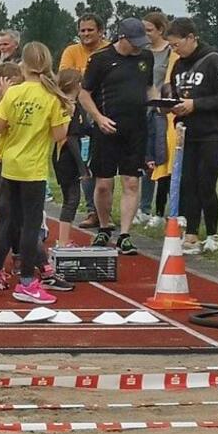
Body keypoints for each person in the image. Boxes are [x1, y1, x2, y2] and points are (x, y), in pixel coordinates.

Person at [0, 42, 72, 305]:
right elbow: (59, 135)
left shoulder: (14, 93)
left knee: (7, 219)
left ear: (24, 65)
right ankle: (27, 282)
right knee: (30, 226)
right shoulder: (51, 97)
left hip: (10, 165)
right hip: (33, 169)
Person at [78, 16, 154, 256]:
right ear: (122, 38)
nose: (138, 47)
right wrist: (99, 118)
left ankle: (125, 234)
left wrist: (156, 102)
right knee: (103, 184)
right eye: (134, 42)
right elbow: (84, 94)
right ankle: (103, 226)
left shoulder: (145, 57)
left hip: (136, 128)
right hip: (107, 128)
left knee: (131, 181)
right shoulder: (101, 60)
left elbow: (149, 86)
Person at [165, 17, 218, 256]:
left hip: (213, 132)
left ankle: (213, 232)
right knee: (189, 183)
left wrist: (196, 104)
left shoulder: (213, 60)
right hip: (187, 131)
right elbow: (175, 93)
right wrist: (170, 105)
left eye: (177, 45)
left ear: (191, 38)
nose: (175, 50)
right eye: (171, 47)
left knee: (206, 182)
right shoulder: (178, 66)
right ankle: (192, 232)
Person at [58, 13, 110, 228]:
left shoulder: (109, 50)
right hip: (78, 108)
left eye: (90, 30)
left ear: (100, 31)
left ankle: (104, 211)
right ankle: (92, 210)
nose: (86, 34)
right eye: (82, 30)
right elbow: (66, 79)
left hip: (105, 107)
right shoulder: (71, 51)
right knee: (84, 161)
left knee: (103, 164)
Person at [138, 12, 173, 226]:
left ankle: (161, 211)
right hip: (143, 109)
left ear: (161, 30)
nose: (146, 34)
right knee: (145, 160)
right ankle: (144, 207)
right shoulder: (142, 52)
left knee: (162, 158)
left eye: (149, 30)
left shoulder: (170, 52)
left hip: (162, 111)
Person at [52, 68, 89, 253]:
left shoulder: (75, 105)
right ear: (76, 85)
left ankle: (64, 239)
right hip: (65, 157)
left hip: (70, 155)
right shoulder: (67, 106)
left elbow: (83, 129)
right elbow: (71, 138)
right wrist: (82, 168)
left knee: (72, 198)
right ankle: (63, 240)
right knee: (72, 198)